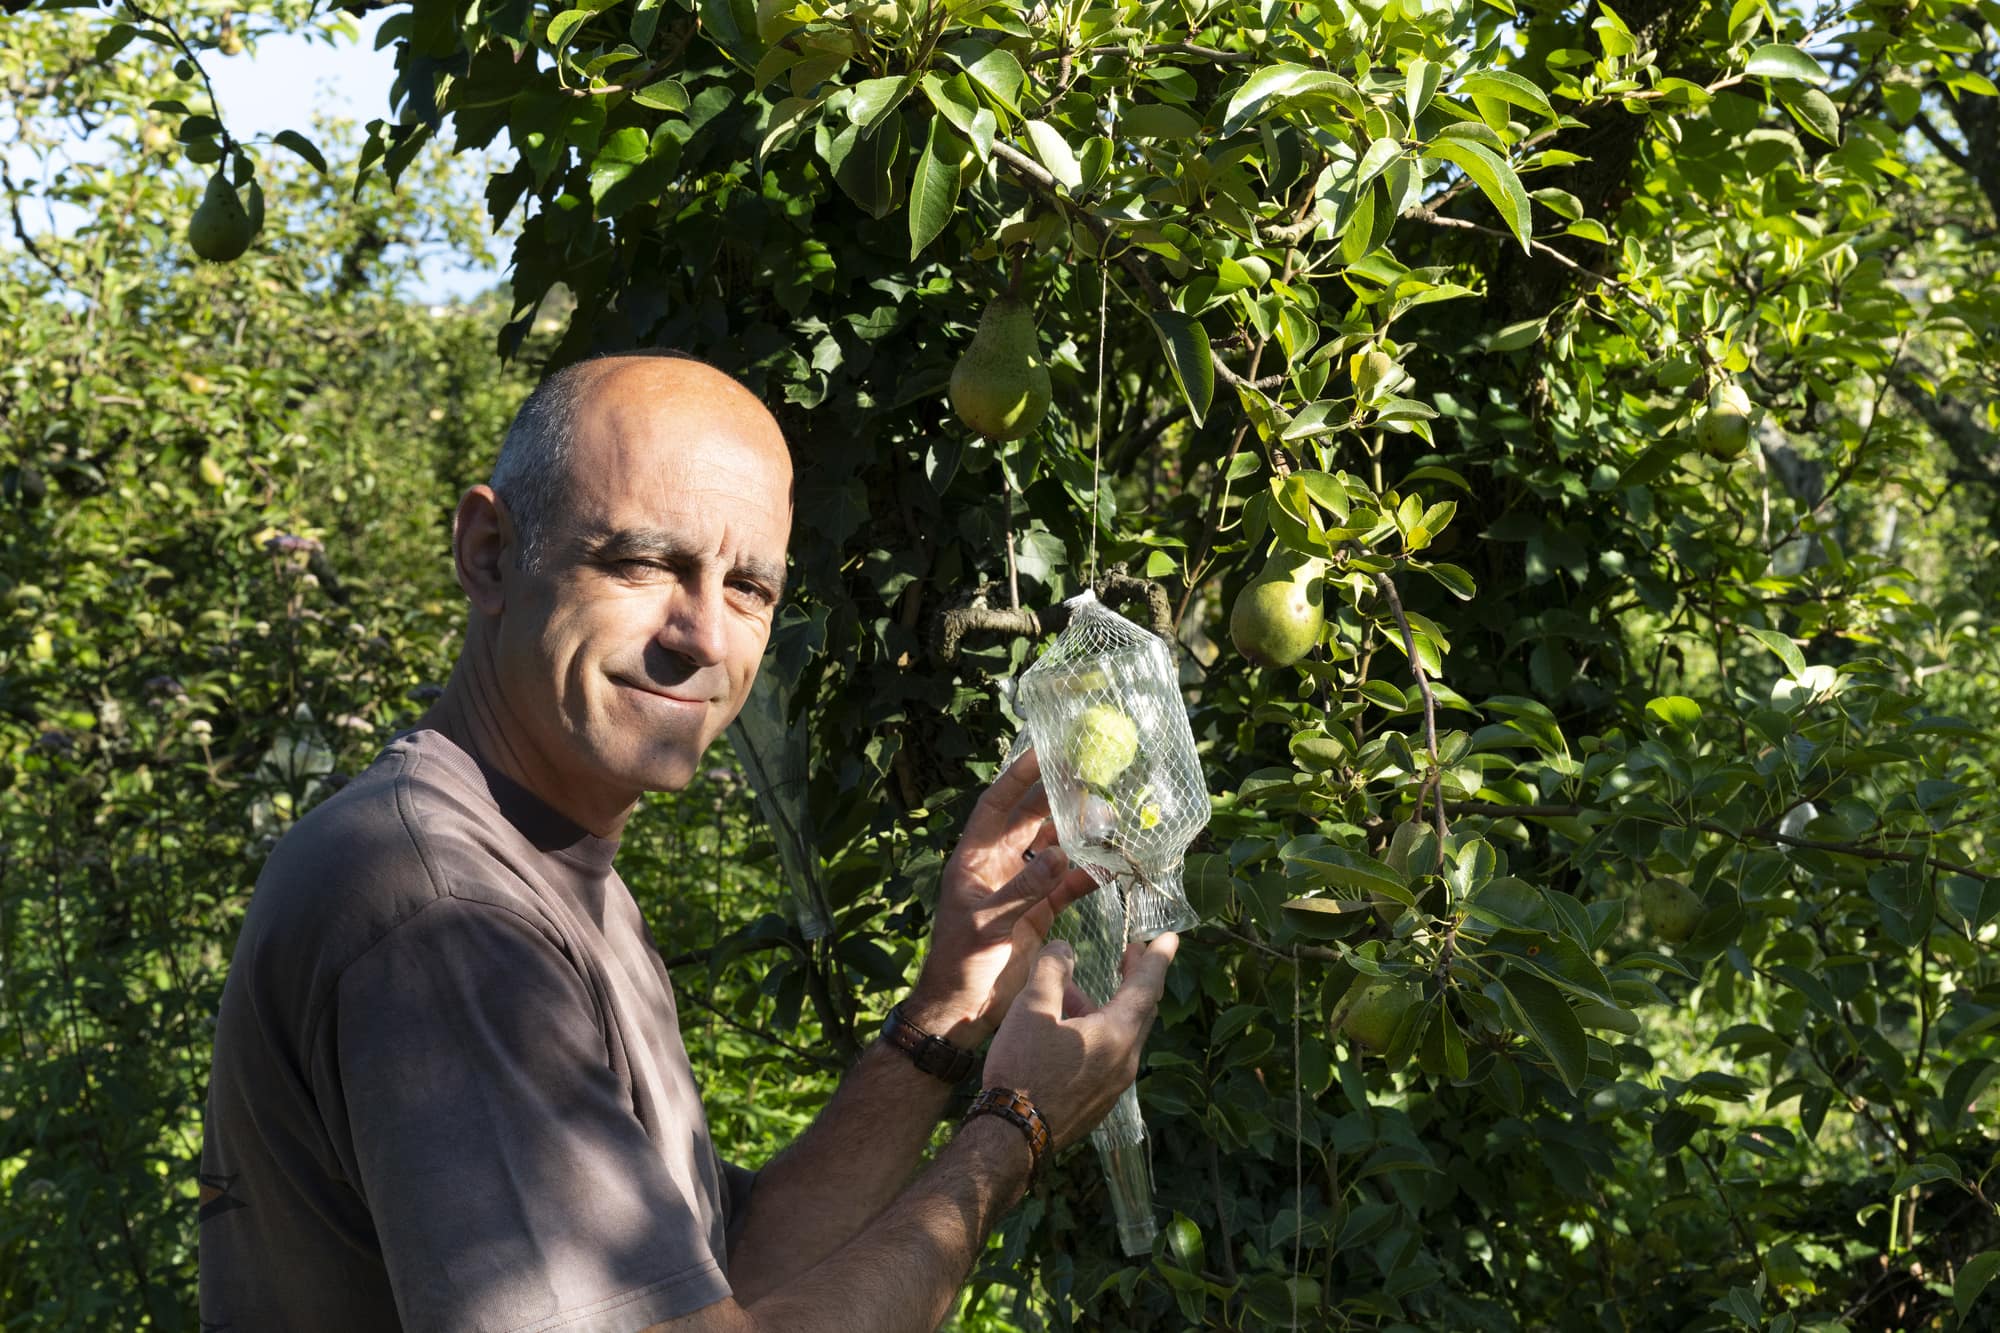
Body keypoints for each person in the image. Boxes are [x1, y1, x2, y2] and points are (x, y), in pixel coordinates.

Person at [198, 351, 1178, 1333]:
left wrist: (950, 1004)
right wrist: (1013, 1130)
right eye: (643, 561)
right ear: (489, 551)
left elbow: (725, 1276)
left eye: (749, 587)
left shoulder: (545, 859)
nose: (705, 635)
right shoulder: (450, 916)